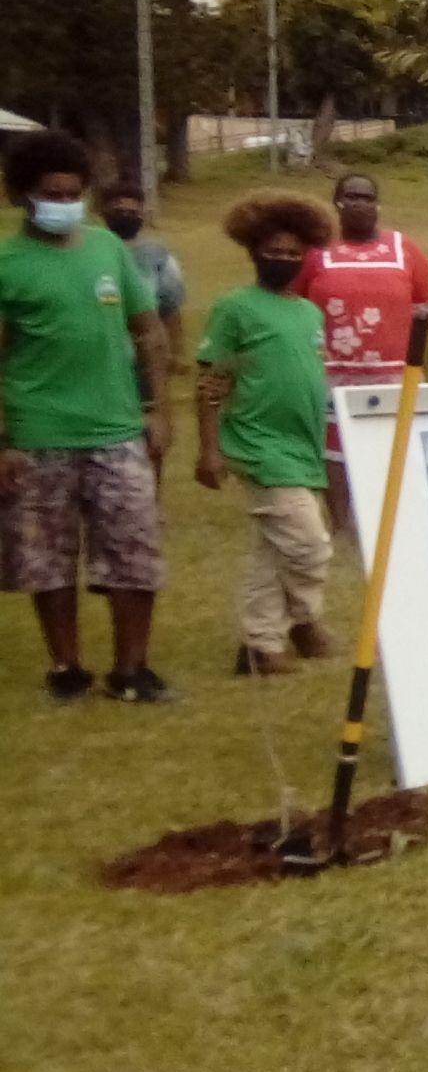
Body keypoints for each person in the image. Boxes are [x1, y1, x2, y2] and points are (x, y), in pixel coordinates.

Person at [0, 132, 173, 702]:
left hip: (117, 430)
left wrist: (157, 409)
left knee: (134, 552)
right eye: (52, 193)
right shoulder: (7, 264)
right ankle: (66, 666)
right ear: (22, 195)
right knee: (47, 561)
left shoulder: (107, 249)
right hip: (37, 435)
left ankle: (132, 670)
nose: (64, 202)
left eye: (73, 193)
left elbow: (147, 331)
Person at [195, 193, 335, 676]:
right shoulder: (235, 308)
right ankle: (303, 621)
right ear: (254, 252)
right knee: (309, 544)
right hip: (257, 444)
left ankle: (260, 644)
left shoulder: (309, 314)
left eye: (294, 253)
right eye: (273, 251)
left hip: (302, 445)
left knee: (272, 548)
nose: (283, 260)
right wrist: (209, 449)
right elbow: (211, 382)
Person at [294, 170, 428, 532]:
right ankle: (342, 523)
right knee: (335, 447)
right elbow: (294, 305)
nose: (358, 203)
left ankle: (390, 521)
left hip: (394, 370)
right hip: (333, 370)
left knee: (395, 445)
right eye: (350, 196)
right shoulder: (317, 253)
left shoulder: (404, 250)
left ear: (378, 205)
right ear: (337, 204)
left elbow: (425, 307)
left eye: (366, 197)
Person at [100, 181, 184, 484]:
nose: (126, 215)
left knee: (152, 429)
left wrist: (177, 352)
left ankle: (153, 497)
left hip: (144, 359)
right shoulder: (93, 252)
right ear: (102, 211)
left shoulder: (157, 256)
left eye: (132, 210)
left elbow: (171, 307)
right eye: (118, 209)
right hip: (103, 358)